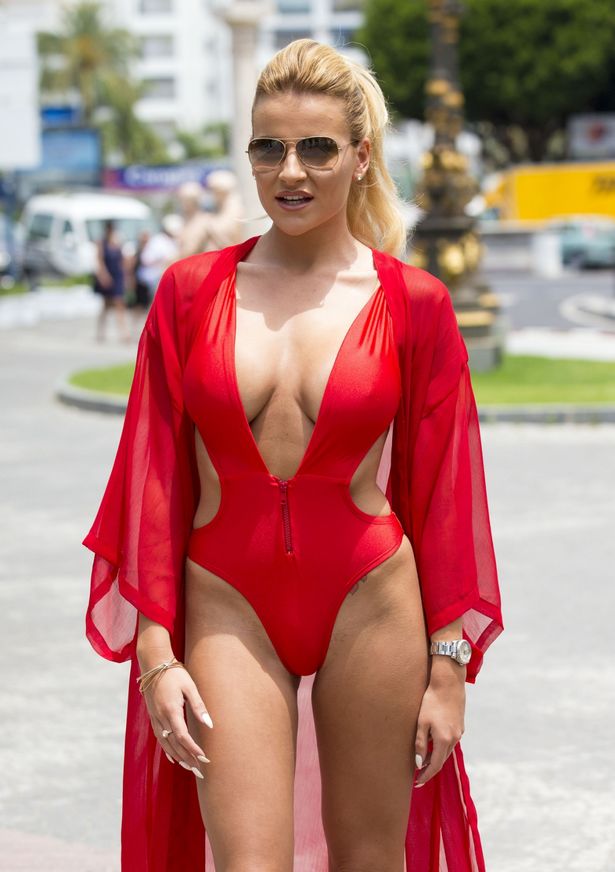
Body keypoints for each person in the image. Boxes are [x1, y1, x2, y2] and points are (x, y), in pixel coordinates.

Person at [83, 39, 503, 872]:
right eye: (267, 148)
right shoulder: (188, 293)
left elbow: (445, 497)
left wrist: (447, 668)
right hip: (226, 601)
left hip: (370, 602)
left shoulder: (414, 304)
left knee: (370, 860)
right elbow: (152, 477)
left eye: (316, 147)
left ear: (360, 156)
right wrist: (156, 656)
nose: (290, 171)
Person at [93, 219, 131, 343]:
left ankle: (124, 333)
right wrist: (103, 275)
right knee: (106, 305)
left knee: (119, 303)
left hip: (117, 275)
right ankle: (101, 332)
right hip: (108, 276)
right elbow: (100, 260)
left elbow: (123, 261)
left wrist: (126, 276)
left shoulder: (117, 241)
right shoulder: (101, 243)